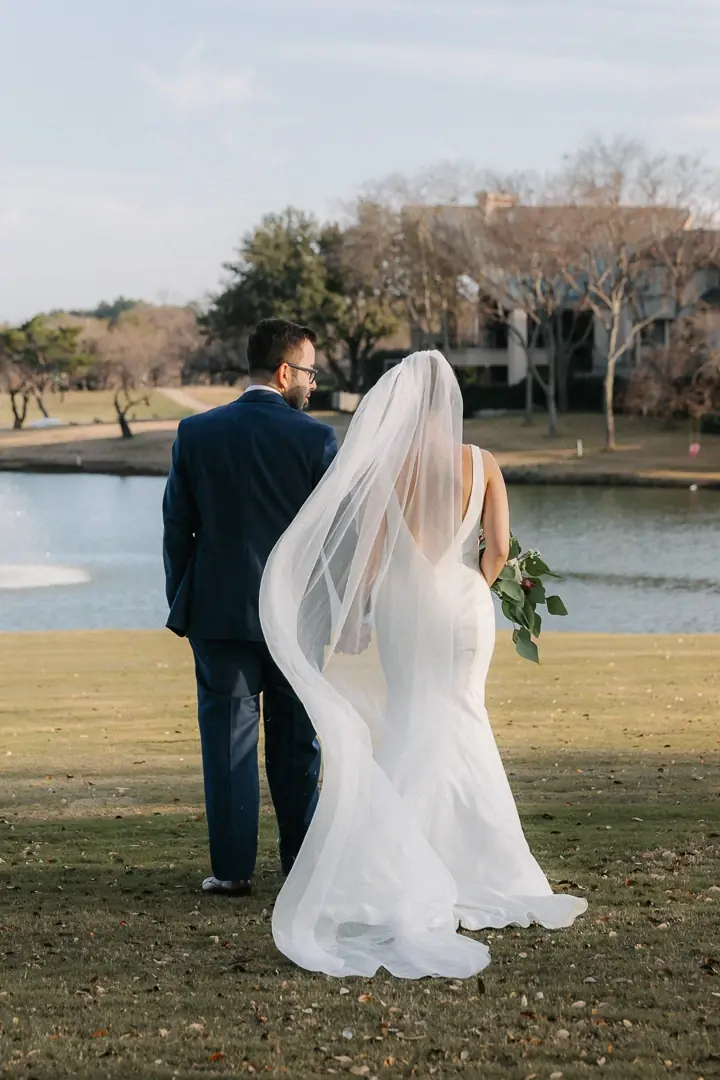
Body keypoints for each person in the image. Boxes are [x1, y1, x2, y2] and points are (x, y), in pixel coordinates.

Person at [260, 349, 586, 978]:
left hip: (404, 610)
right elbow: (497, 550)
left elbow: (371, 556)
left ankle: (398, 863)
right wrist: (470, 588)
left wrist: (357, 617)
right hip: (464, 608)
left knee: (410, 718)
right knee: (465, 717)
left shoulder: (389, 469)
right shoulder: (484, 464)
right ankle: (491, 868)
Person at [162, 318, 338, 896]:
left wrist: (184, 600)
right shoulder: (317, 440)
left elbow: (177, 527)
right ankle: (300, 868)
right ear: (286, 372)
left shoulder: (196, 431)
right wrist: (332, 611)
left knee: (228, 744)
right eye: (310, 371)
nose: (313, 383)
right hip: (296, 618)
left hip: (218, 615)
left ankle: (233, 871)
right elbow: (335, 540)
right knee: (297, 743)